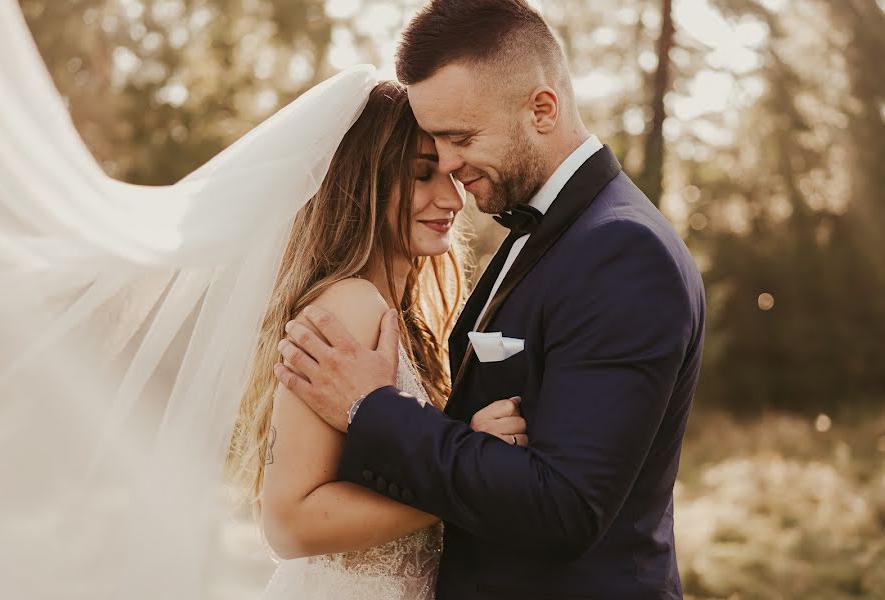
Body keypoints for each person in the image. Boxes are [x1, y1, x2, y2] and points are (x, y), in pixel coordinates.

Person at [275, 1, 706, 598]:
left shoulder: (623, 251)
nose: (450, 170)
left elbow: (565, 509)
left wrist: (371, 407)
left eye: (459, 139)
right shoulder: (541, 234)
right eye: (432, 155)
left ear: (542, 109)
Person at [228, 81, 528, 600]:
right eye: (420, 175)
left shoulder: (404, 316)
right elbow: (288, 522)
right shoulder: (349, 305)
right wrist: (468, 474)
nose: (452, 198)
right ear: (364, 182)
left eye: (452, 173)